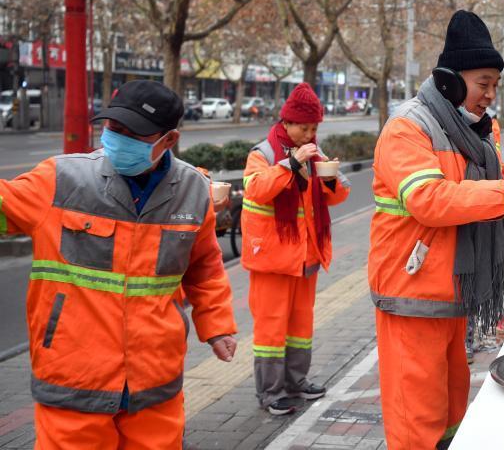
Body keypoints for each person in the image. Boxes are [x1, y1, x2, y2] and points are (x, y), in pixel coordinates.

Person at [0, 80, 237, 449]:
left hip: (154, 381)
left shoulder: (193, 191)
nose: (117, 138)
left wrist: (217, 325)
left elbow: (204, 266)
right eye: (113, 127)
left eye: (133, 133)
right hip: (73, 375)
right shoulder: (60, 180)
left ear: (168, 140)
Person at [369, 10, 504, 449]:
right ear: (451, 81)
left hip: (455, 293)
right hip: (412, 296)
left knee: (452, 415)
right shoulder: (407, 129)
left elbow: (490, 177)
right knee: (417, 424)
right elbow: (430, 200)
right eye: (484, 84)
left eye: (496, 85)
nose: (491, 95)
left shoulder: (477, 129)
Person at [240, 83, 351, 416]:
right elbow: (255, 189)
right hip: (272, 258)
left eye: (315, 128)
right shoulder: (264, 153)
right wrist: (289, 164)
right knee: (271, 327)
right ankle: (271, 393)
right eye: (304, 127)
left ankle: (296, 381)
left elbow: (339, 194)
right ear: (286, 122)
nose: (309, 133)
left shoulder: (313, 151)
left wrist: (328, 175)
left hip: (307, 254)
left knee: (301, 326)